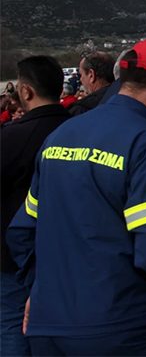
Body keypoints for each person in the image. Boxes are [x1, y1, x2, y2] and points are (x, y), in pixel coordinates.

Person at [5, 40, 146, 356]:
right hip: (124, 327)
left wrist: (39, 289)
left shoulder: (60, 137)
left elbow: (21, 232)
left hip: (48, 329)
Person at [0, 56, 71, 356]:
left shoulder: (11, 138)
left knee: (14, 330)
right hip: (69, 253)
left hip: (13, 258)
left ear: (26, 92)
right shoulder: (78, 129)